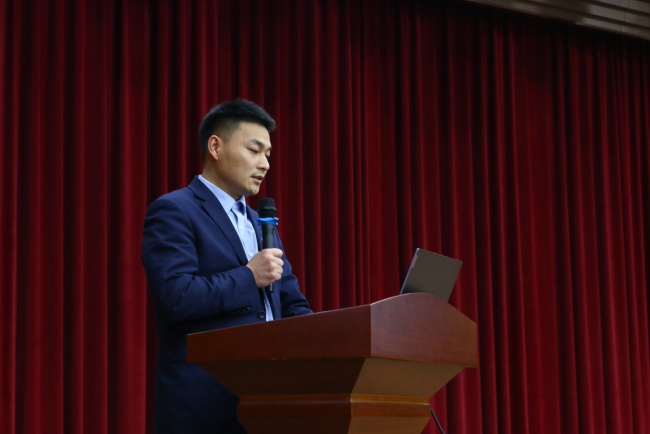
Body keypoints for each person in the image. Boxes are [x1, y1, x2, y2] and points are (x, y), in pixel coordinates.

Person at [141, 98, 313, 433]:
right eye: (254, 150)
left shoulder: (261, 223)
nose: (264, 164)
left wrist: (331, 339)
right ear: (215, 147)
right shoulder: (175, 210)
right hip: (204, 406)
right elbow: (176, 296)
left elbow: (292, 304)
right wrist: (249, 277)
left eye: (268, 154)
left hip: (270, 404)